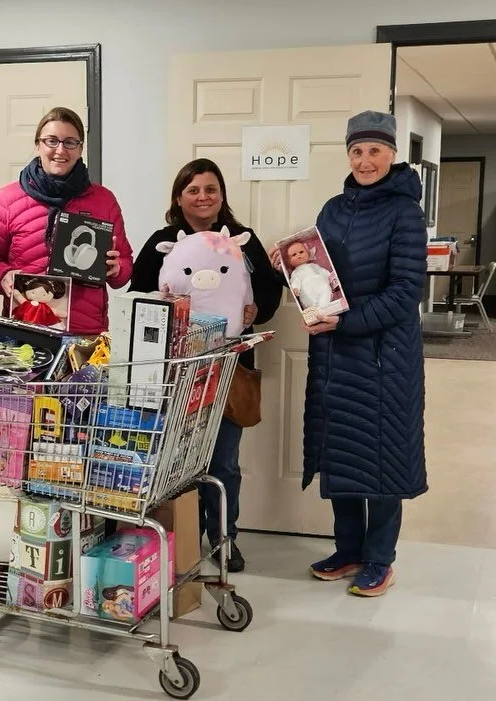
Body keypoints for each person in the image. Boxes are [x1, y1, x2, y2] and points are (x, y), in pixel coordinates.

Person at [270, 110, 427, 597]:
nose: (365, 160)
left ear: (392, 154)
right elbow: (318, 277)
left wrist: (349, 321)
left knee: (381, 459)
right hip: (335, 355)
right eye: (357, 151)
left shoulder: (405, 212)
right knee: (341, 452)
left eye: (375, 151)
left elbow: (406, 291)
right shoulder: (333, 209)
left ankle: (380, 558)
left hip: (384, 357)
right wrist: (287, 267)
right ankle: (348, 550)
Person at [131, 158, 282, 572]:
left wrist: (256, 310)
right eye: (193, 189)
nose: (202, 197)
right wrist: (162, 304)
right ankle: (180, 537)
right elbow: (137, 295)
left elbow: (269, 293)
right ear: (179, 197)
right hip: (174, 371)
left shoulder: (243, 242)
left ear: (222, 196)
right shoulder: (162, 241)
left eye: (211, 189)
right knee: (174, 460)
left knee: (225, 461)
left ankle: (223, 536)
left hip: (228, 369)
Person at [0, 106, 133, 334]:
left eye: (70, 142)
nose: (60, 150)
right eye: (51, 141)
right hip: (25, 328)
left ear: (80, 149)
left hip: (85, 333)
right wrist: (2, 276)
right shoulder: (7, 200)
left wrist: (116, 268)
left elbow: (126, 264)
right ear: (37, 145)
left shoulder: (103, 200)